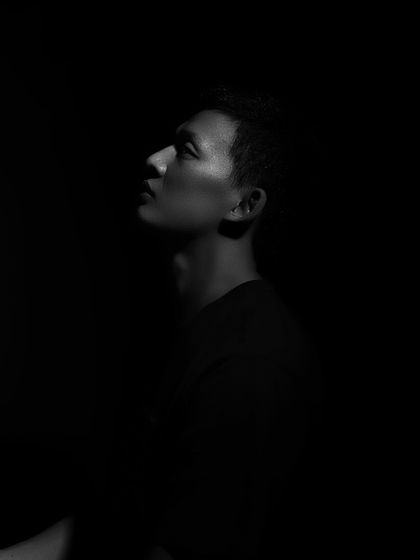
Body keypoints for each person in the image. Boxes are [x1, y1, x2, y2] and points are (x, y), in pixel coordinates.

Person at [0, 83, 326, 560]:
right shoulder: (193, 333)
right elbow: (119, 514)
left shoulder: (248, 368)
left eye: (186, 151)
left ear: (243, 205)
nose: (155, 160)